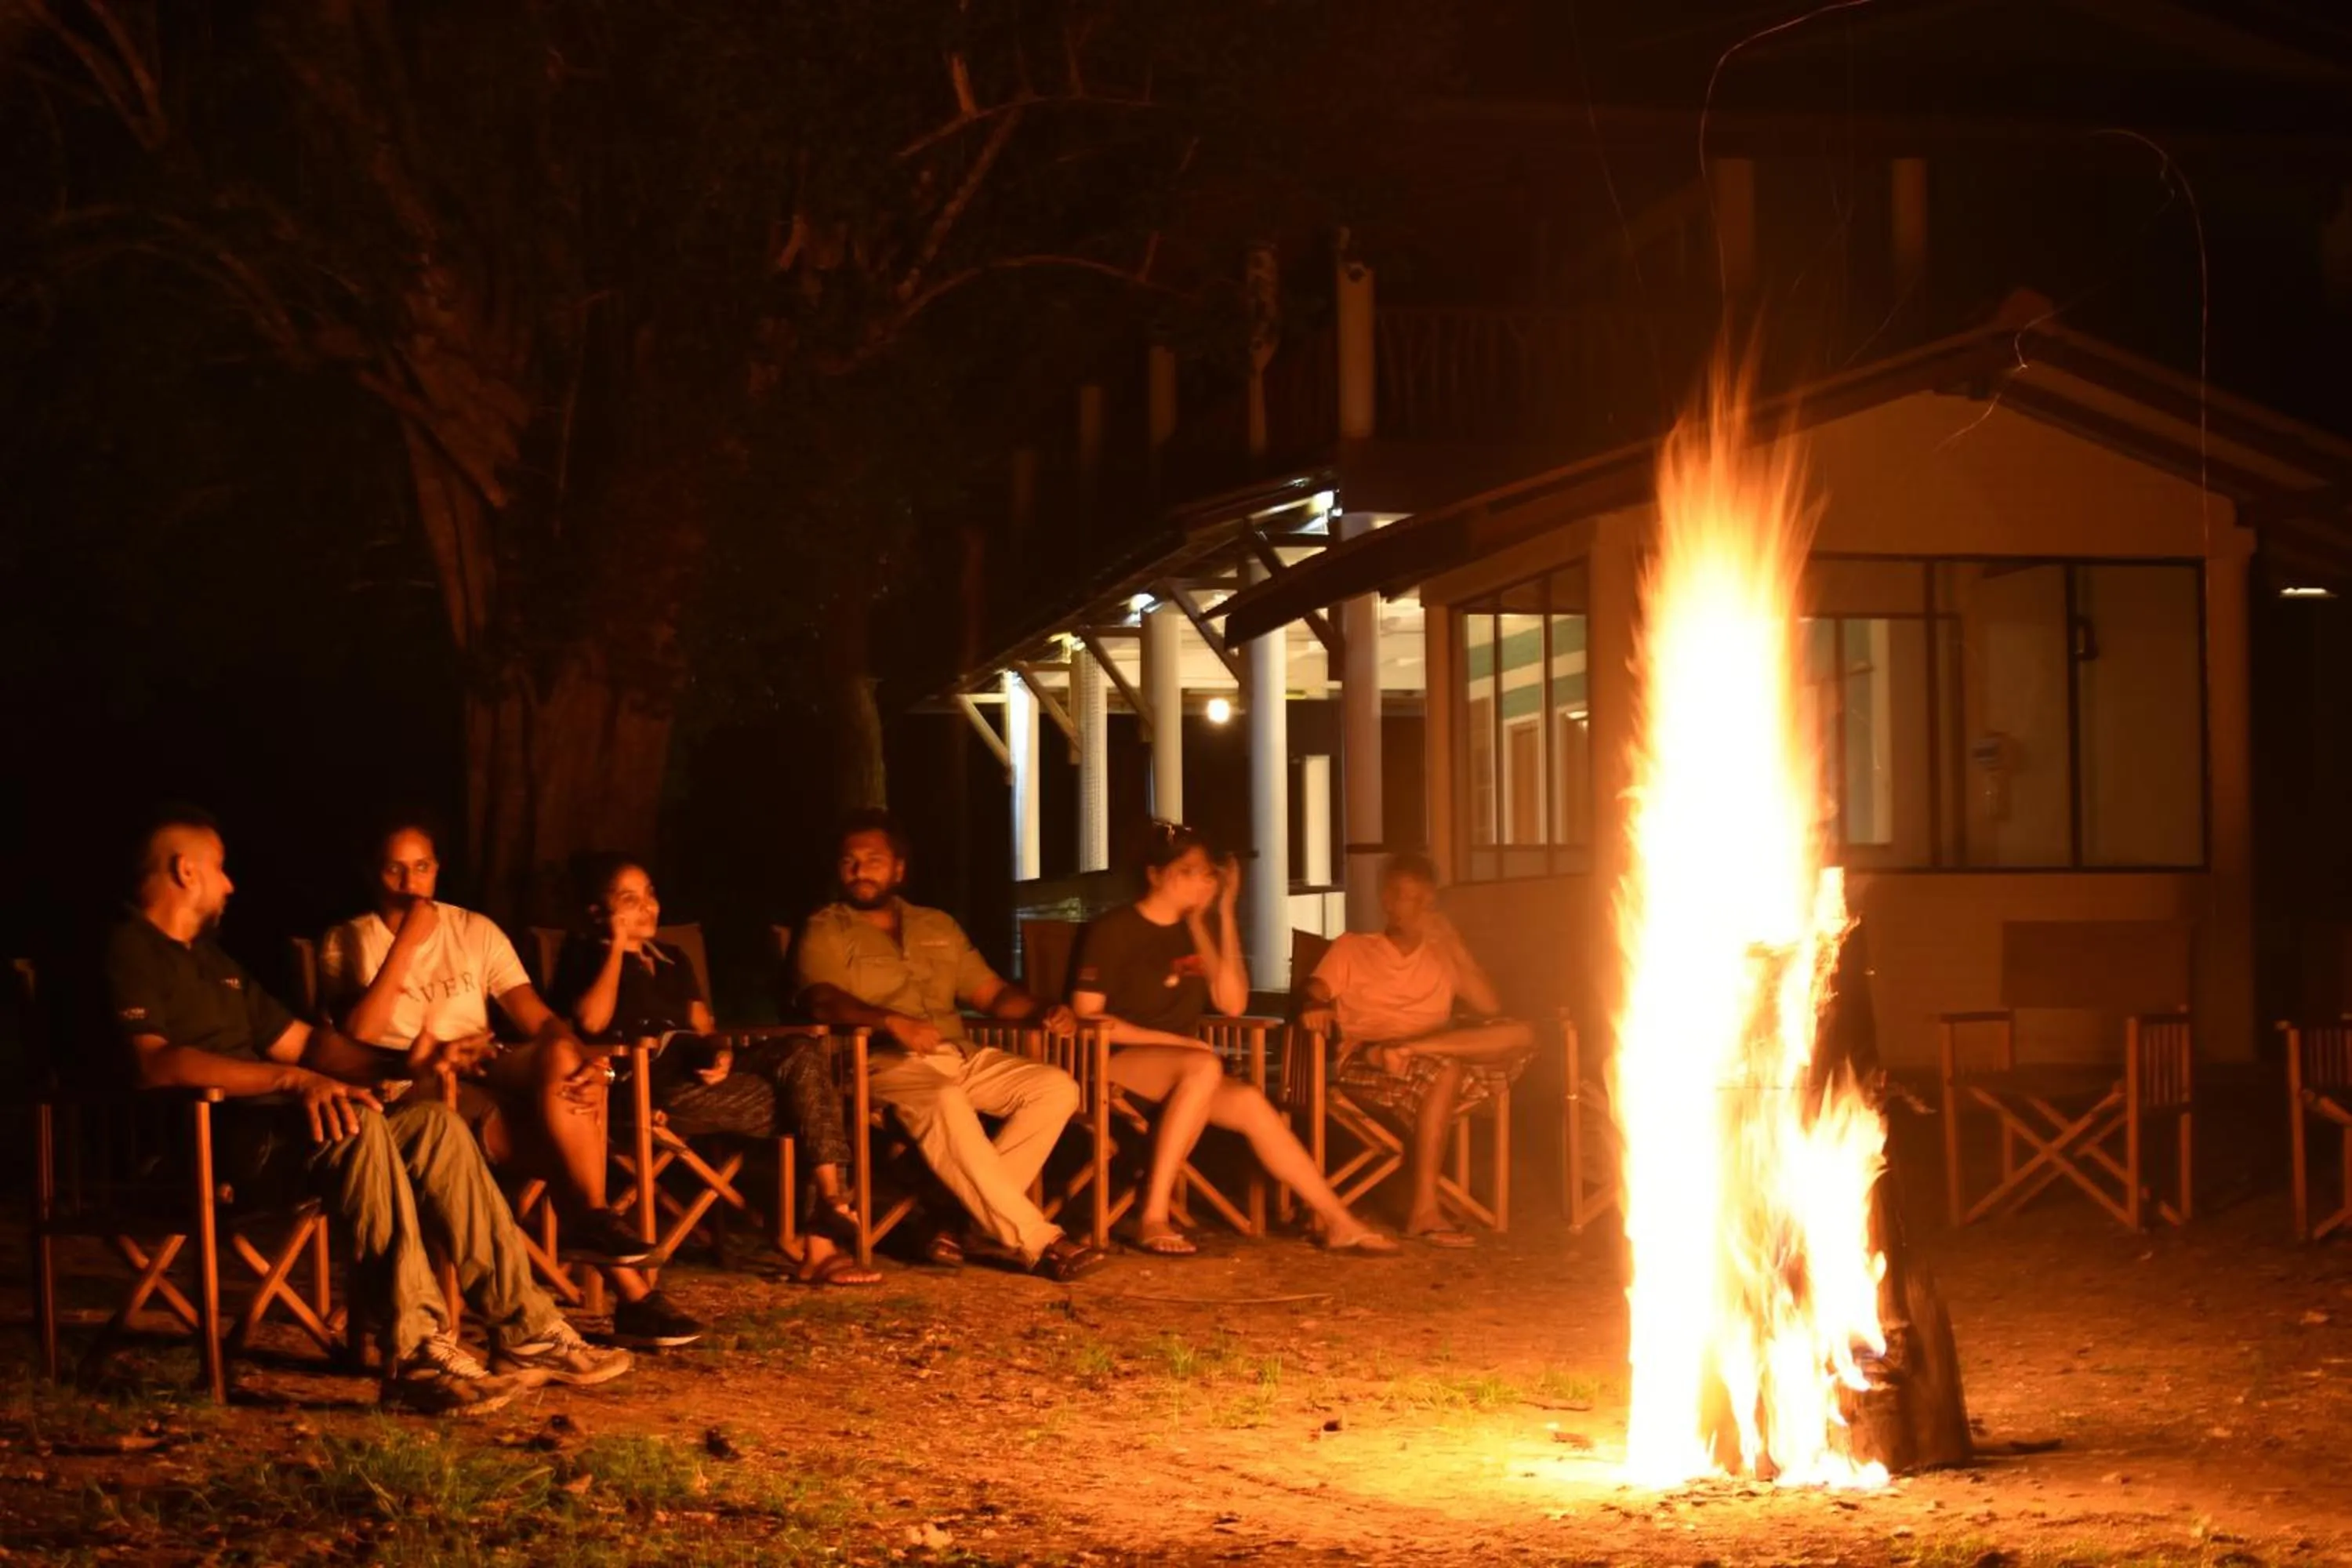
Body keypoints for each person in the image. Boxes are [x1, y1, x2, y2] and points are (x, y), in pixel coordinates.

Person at [103, 808, 632, 1414]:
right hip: (201, 1142)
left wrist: (408, 1064)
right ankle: (416, 1351)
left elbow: (308, 1044)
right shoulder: (129, 946)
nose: (231, 885)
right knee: (359, 1126)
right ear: (184, 870)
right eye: (221, 870)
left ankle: (526, 1327)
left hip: (277, 1128)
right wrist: (293, 1081)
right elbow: (154, 1062)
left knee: (433, 1123)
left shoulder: (212, 962)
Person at [318, 819, 699, 1349]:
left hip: (484, 1065)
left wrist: (594, 1067)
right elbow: (359, 1034)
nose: (411, 882)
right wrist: (406, 943)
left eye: (422, 867)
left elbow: (539, 1019)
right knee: (557, 1136)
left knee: (562, 1061)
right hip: (410, 1080)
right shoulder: (348, 939)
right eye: (395, 869)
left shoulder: (474, 929)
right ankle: (630, 1288)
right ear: (372, 874)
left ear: (437, 870)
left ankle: (594, 1222)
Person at [795, 809, 1105, 1281]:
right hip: (875, 1059)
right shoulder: (825, 928)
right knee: (944, 1098)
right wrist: (892, 1021)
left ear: (898, 869)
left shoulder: (937, 925)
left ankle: (953, 1219)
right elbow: (820, 1000)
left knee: (1056, 1087)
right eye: (849, 862)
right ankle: (1040, 1241)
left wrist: (1043, 1009)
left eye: (873, 860)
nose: (860, 871)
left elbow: (993, 994)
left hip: (957, 1054)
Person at [549, 855, 880, 1288]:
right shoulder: (583, 955)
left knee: (802, 1053)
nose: (648, 906)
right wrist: (615, 949)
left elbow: (706, 1029)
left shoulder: (673, 958)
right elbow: (591, 1023)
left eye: (650, 894)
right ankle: (821, 1245)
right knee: (816, 1104)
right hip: (645, 1087)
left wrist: (722, 1055)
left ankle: (831, 1203)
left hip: (699, 1075)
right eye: (629, 898)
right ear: (599, 911)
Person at [1070, 822, 1397, 1257]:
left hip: (1187, 1072)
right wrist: (1179, 1046)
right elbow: (1085, 1014)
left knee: (1250, 1103)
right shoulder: (1114, 930)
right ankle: (1152, 1216)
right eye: (1189, 871)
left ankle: (1338, 1221)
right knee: (1204, 1065)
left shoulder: (1193, 931)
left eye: (1207, 872)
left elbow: (1233, 1004)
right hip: (1110, 1061)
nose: (1202, 880)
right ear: (1155, 874)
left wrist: (1219, 914)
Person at [1298, 852, 1537, 1247]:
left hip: (1430, 1056)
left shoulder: (1443, 953)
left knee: (1523, 1034)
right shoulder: (1354, 947)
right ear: (1389, 902)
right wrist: (1314, 1005)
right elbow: (1315, 990)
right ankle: (1424, 1210)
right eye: (1411, 898)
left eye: (1428, 901)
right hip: (1368, 1061)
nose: (1421, 909)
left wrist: (1454, 944)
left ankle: (1410, 1048)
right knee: (1447, 1070)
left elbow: (1490, 1006)